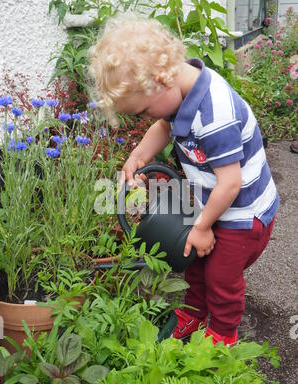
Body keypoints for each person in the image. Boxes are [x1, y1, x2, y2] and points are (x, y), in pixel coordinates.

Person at [89, 13, 279, 346]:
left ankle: (223, 336)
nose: (149, 117)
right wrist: (138, 157)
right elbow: (163, 126)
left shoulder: (214, 114)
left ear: (161, 80)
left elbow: (231, 184)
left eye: (144, 111)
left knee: (221, 276)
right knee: (195, 262)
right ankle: (193, 314)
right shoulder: (178, 93)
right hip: (217, 202)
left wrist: (202, 226)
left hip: (244, 214)